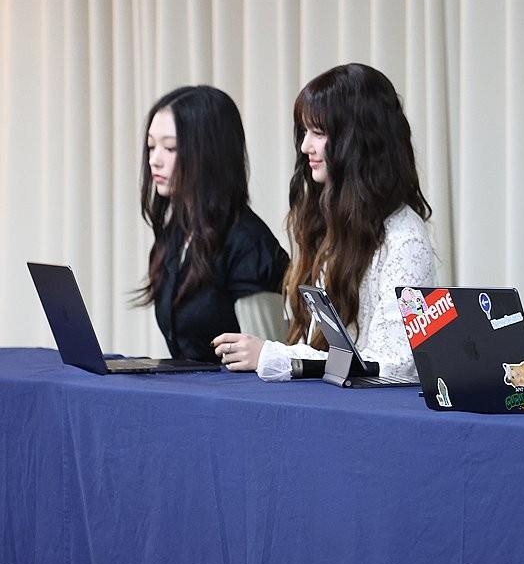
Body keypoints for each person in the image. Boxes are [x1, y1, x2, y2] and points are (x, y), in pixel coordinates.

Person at [212, 63, 437, 380]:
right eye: (305, 132)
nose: (305, 146)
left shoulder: (405, 241)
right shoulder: (332, 224)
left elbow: (396, 365)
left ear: (358, 140)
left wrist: (276, 355)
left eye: (318, 133)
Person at [134, 86, 289, 363]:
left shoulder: (249, 245)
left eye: (170, 148)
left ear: (209, 154)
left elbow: (272, 359)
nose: (154, 160)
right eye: (151, 146)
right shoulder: (175, 235)